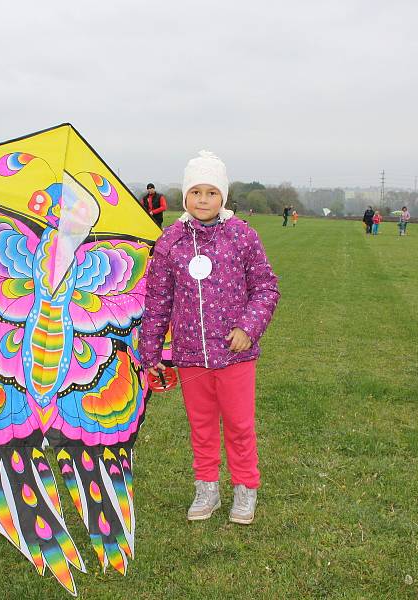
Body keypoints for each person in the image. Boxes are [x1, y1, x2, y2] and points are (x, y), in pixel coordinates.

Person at [139, 150, 279, 526]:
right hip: (189, 355)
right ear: (185, 196)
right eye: (196, 192)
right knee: (201, 426)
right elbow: (157, 298)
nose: (203, 200)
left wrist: (248, 329)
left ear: (223, 196)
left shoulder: (242, 236)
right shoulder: (170, 241)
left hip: (234, 355)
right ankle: (207, 488)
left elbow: (266, 288)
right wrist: (151, 348)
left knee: (239, 424)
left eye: (211, 192)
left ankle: (245, 489)